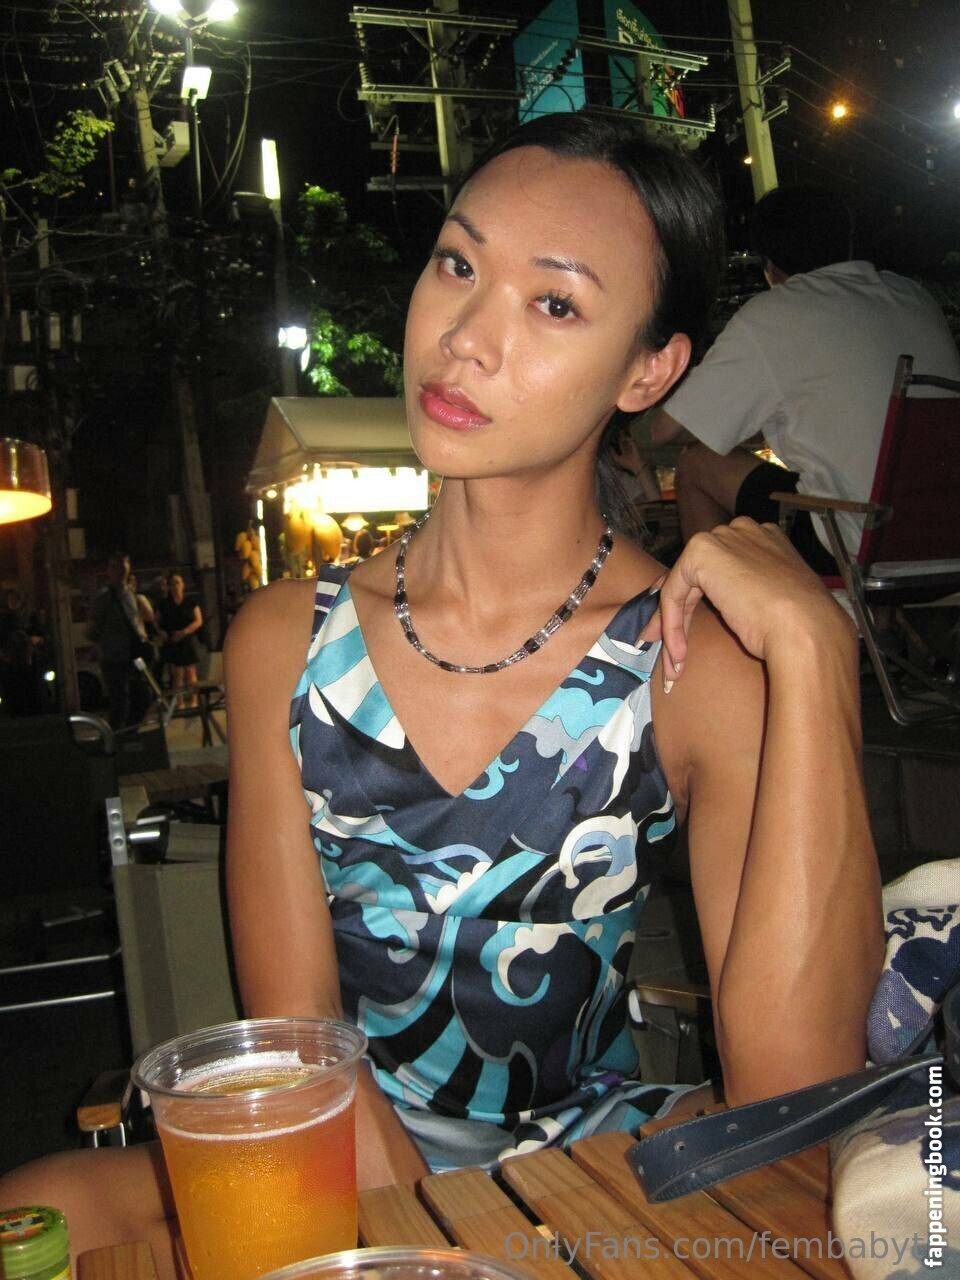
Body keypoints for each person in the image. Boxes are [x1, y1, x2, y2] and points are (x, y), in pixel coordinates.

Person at [0, 114, 883, 1277]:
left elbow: (792, 1098)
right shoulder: (286, 640)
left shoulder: (688, 660)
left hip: (597, 1159)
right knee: (43, 1206)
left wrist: (813, 651)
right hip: (349, 1143)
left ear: (650, 370)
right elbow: (304, 1037)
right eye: (458, 264)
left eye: (553, 303)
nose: (464, 338)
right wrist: (424, 1233)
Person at [648, 183, 960, 567]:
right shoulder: (913, 296)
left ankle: (716, 597)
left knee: (697, 464)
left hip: (858, 547)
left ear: (769, 265)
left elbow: (665, 430)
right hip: (947, 539)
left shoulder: (774, 313)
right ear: (847, 243)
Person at [89, 552, 148, 728]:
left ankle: (129, 732)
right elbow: (92, 628)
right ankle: (117, 736)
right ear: (109, 570)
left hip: (134, 655)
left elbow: (138, 620)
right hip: (113, 656)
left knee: (143, 695)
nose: (120, 571)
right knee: (120, 701)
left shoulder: (131, 594)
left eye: (123, 566)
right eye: (115, 567)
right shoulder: (104, 597)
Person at [157, 572, 202, 709]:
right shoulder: (164, 604)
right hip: (173, 639)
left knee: (191, 671)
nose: (175, 586)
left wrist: (185, 631)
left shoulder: (191, 602)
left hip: (188, 638)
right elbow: (156, 621)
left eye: (178, 583)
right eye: (172, 583)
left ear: (183, 585)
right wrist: (162, 633)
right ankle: (180, 701)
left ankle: (194, 700)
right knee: (177, 674)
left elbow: (198, 621)